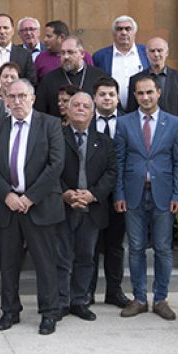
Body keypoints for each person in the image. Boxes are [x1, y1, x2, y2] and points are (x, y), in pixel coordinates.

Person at [0, 79, 66, 335]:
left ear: (32, 98)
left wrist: (30, 197)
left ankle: (49, 312)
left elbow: (56, 164)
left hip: (39, 205)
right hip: (9, 205)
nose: (17, 101)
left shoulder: (50, 124)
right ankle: (9, 311)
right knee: (8, 263)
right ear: (5, 100)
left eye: (22, 96)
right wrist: (7, 195)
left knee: (45, 262)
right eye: (11, 96)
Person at [114, 72, 178, 321]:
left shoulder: (175, 123)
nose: (145, 97)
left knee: (163, 248)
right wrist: (119, 193)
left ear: (158, 93)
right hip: (133, 194)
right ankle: (140, 298)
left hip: (163, 194)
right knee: (135, 248)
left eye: (149, 92)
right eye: (140, 93)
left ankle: (161, 299)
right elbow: (119, 161)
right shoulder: (124, 123)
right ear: (134, 95)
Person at [56, 92, 116, 322]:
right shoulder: (56, 137)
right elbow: (48, 168)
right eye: (76, 105)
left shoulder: (105, 142)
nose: (81, 109)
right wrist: (65, 193)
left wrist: (93, 195)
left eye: (86, 106)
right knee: (61, 257)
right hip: (63, 207)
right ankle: (61, 301)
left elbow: (111, 172)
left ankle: (79, 301)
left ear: (92, 112)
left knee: (86, 256)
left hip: (91, 209)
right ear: (68, 110)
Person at [86, 76, 130, 307]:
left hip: (119, 195)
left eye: (112, 94)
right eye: (102, 94)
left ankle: (114, 291)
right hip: (91, 194)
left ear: (118, 98)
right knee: (90, 246)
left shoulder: (128, 122)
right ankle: (87, 292)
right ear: (94, 98)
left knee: (115, 246)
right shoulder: (85, 121)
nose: (107, 98)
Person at [125, 37, 178, 144]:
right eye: (152, 51)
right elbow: (131, 111)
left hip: (172, 135)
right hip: (144, 136)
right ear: (147, 54)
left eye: (160, 50)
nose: (156, 54)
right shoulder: (135, 79)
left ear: (167, 53)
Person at [36, 36, 106, 116]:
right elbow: (40, 112)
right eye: (62, 53)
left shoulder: (99, 77)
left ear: (82, 54)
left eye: (70, 52)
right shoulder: (49, 79)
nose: (66, 57)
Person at [91, 15, 149, 110]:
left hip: (141, 109)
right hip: (111, 110)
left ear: (134, 33)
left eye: (128, 29)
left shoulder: (146, 53)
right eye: (119, 29)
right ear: (114, 34)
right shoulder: (100, 57)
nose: (124, 32)